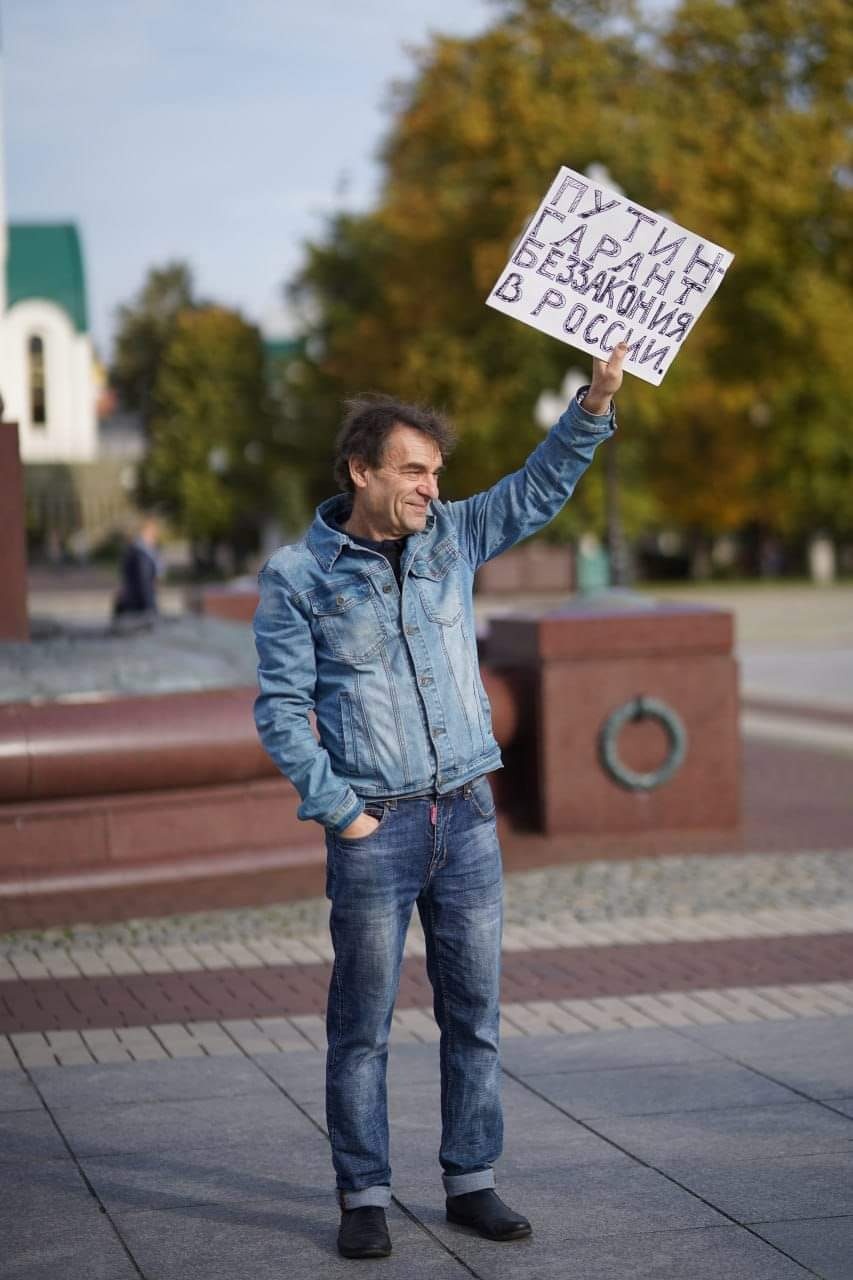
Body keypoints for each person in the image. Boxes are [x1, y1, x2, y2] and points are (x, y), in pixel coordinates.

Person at [253, 343, 626, 1259]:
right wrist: (341, 811)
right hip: (373, 827)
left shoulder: (452, 536)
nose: (429, 488)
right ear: (360, 470)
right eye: (412, 471)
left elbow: (536, 490)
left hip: (463, 814)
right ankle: (364, 1194)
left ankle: (471, 1180)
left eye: (435, 472)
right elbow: (280, 709)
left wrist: (595, 402)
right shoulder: (298, 577)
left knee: (475, 1014)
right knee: (362, 1024)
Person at [112, 514, 163, 631]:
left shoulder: (139, 550)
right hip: (138, 607)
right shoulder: (141, 553)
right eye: (153, 531)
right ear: (146, 531)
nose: (156, 535)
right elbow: (144, 583)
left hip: (135, 604)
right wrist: (151, 609)